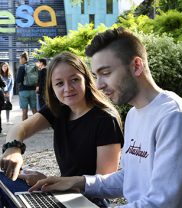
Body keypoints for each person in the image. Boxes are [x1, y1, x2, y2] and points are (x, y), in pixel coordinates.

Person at [29, 27, 182, 208]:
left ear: (137, 66)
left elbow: (160, 203)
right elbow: (130, 177)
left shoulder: (176, 118)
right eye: (96, 75)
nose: (98, 85)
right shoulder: (133, 114)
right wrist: (77, 182)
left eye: (106, 73)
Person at [0, 51, 123, 208]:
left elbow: (103, 185)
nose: (68, 88)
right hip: (62, 193)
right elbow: (20, 128)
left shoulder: (105, 120)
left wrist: (52, 181)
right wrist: (13, 149)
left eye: (74, 80)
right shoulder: (59, 110)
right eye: (59, 83)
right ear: (52, 87)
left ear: (86, 79)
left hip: (89, 201)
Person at [16, 51, 37, 120]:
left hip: (23, 91)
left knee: (24, 111)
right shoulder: (32, 66)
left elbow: (18, 80)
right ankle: (37, 127)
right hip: (33, 91)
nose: (19, 61)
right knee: (34, 110)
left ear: (23, 58)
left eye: (20, 59)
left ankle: (25, 129)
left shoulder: (22, 67)